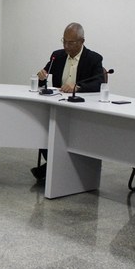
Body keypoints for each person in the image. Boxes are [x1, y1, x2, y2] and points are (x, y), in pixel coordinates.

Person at [31, 22, 104, 180]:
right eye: (64, 41)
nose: (66, 46)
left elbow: (99, 82)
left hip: (81, 110)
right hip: (57, 108)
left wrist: (77, 87)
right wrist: (41, 77)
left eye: (71, 43)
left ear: (82, 41)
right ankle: (56, 165)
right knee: (43, 129)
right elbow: (44, 79)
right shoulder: (57, 56)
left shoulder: (93, 59)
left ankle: (52, 168)